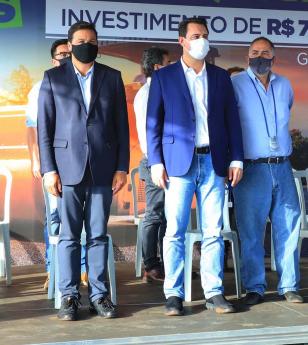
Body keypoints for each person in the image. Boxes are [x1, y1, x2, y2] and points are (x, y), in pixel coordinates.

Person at [147, 17, 245, 316]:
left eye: (205, 35)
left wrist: (237, 157)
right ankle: (173, 295)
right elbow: (153, 123)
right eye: (195, 35)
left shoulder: (220, 77)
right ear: (182, 41)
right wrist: (155, 162)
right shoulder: (164, 77)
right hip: (178, 165)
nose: (201, 40)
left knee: (213, 230)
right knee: (174, 230)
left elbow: (232, 121)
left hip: (214, 161)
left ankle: (214, 292)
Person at [38, 21, 129, 321]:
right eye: (80, 40)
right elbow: (44, 128)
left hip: (104, 168)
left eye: (91, 40)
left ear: (97, 44)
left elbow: (121, 128)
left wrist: (121, 167)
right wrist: (49, 170)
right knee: (68, 235)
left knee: (99, 235)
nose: (86, 44)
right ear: (70, 44)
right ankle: (69, 296)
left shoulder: (112, 77)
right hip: (67, 169)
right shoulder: (53, 78)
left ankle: (100, 296)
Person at [231, 37, 303, 306]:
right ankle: (255, 287)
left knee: (288, 228)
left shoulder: (284, 84)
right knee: (251, 232)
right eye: (254, 52)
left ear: (274, 57)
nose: (259, 56)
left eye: (265, 53)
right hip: (252, 169)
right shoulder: (235, 83)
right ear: (247, 56)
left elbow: (287, 111)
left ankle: (289, 285)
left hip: (283, 167)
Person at [26, 39, 87, 291]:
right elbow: (32, 127)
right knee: (54, 218)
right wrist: (36, 160)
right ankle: (54, 270)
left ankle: (82, 270)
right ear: (53, 60)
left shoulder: (86, 83)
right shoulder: (40, 87)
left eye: (70, 53)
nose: (66, 57)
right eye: (62, 54)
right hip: (53, 165)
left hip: (80, 163)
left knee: (80, 217)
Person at [134, 46, 171, 284]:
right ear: (157, 68)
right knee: (154, 215)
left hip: (171, 162)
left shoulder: (161, 91)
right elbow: (150, 136)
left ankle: (170, 264)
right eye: (169, 63)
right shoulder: (147, 94)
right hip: (156, 162)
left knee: (168, 217)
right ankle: (152, 266)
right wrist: (159, 162)